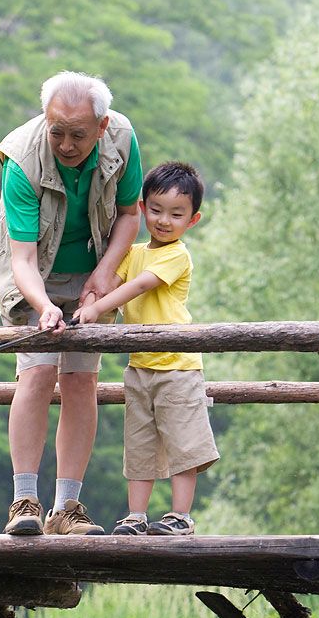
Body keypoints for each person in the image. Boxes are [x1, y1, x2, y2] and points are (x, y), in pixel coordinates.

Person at [0, 71, 142, 536]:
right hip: (33, 271)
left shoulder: (123, 138)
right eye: (57, 132)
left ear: (102, 125)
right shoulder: (21, 159)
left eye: (78, 134)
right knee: (36, 373)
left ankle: (66, 509)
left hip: (93, 266)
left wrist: (104, 274)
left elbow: (130, 215)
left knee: (81, 380)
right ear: (45, 119)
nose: (67, 145)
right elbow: (22, 258)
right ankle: (24, 502)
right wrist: (44, 306)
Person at [73, 161, 219, 536]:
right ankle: (135, 516)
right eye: (156, 210)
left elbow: (137, 286)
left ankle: (180, 516)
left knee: (183, 442)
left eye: (176, 214)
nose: (164, 221)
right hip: (140, 366)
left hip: (177, 365)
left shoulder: (177, 255)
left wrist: (96, 310)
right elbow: (109, 282)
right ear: (142, 208)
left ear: (193, 219)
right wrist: (88, 301)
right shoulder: (133, 252)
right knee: (139, 444)